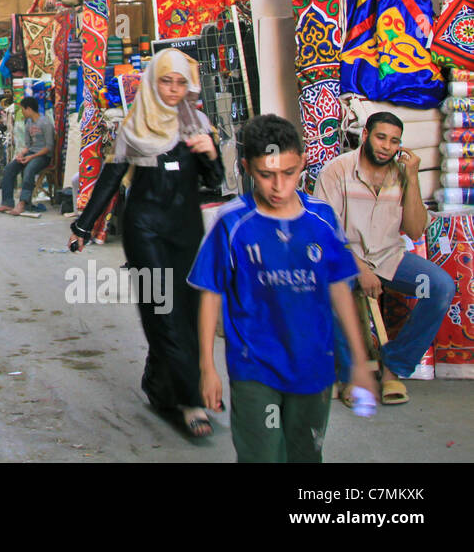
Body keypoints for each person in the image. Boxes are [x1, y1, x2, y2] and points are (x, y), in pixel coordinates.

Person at [190, 115, 378, 462]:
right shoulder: (232, 223)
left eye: (288, 173)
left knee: (306, 455)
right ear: (247, 168)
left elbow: (340, 289)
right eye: (266, 175)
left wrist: (359, 362)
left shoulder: (321, 219)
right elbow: (210, 292)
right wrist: (207, 368)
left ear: (303, 163)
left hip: (314, 367)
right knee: (262, 456)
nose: (278, 186)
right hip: (254, 367)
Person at [69, 48, 224, 437]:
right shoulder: (135, 126)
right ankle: (191, 400)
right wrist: (84, 227)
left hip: (187, 230)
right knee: (163, 309)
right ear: (152, 83)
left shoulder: (197, 123)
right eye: (165, 81)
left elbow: (214, 181)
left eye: (179, 83)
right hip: (145, 230)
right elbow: (111, 179)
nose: (173, 90)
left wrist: (210, 153)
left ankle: (158, 386)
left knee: (186, 311)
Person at [313, 111, 456, 407]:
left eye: (394, 141)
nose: (386, 146)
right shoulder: (336, 171)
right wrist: (361, 268)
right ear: (365, 135)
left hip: (389, 258)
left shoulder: (402, 174)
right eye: (380, 137)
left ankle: (394, 367)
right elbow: (325, 235)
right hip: (344, 259)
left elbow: (415, 229)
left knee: (440, 286)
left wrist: (413, 178)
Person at [0, 97, 52, 214]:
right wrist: (21, 155)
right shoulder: (29, 123)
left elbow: (49, 147)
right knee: (9, 169)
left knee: (29, 170)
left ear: (29, 109)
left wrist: (31, 157)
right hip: (30, 154)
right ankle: (7, 202)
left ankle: (23, 203)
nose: (22, 112)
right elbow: (28, 145)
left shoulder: (45, 123)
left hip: (43, 156)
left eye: (23, 110)